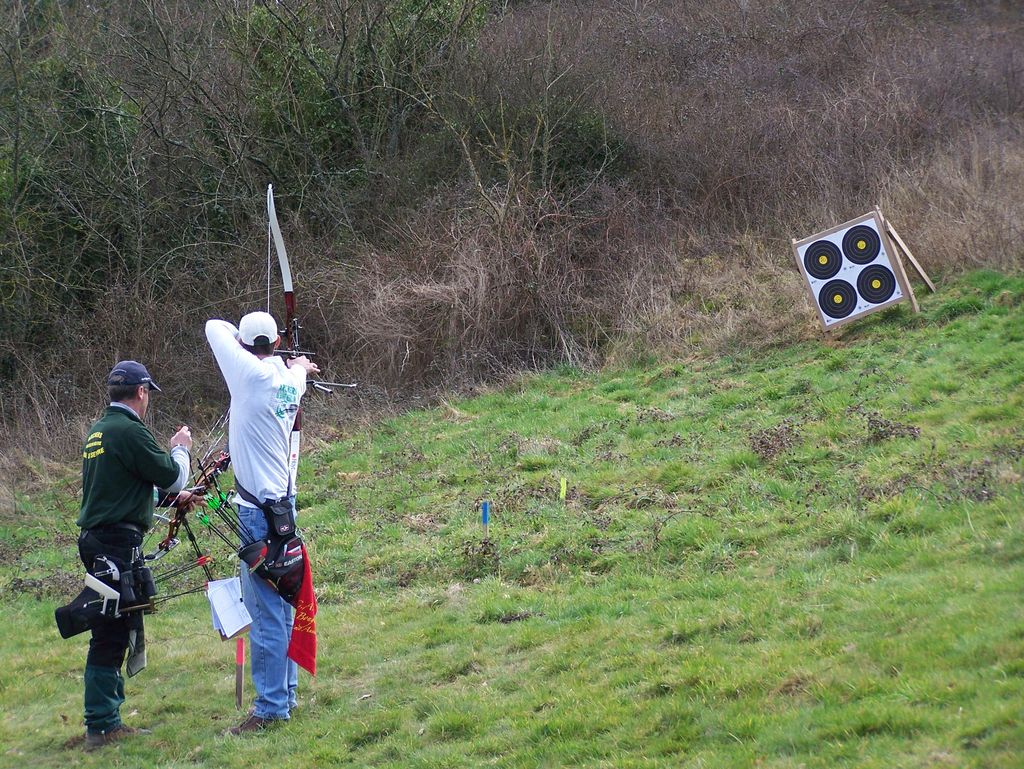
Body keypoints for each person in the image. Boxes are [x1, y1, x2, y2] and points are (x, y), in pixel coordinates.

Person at [205, 311, 318, 734]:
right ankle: (285, 695)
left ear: (246, 345)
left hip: (257, 515)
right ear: (277, 343)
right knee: (282, 605)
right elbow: (297, 373)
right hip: (283, 510)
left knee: (266, 610)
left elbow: (213, 327)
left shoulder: (249, 374)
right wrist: (297, 364)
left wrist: (242, 338)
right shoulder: (289, 379)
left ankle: (270, 708)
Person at [75, 360, 193, 750]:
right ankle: (102, 725)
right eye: (148, 394)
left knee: (113, 627)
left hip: (99, 541)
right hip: (113, 545)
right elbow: (173, 476)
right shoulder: (129, 430)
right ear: (142, 392)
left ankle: (105, 720)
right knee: (110, 632)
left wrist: (168, 499)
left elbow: (118, 489)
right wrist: (181, 449)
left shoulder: (99, 430)